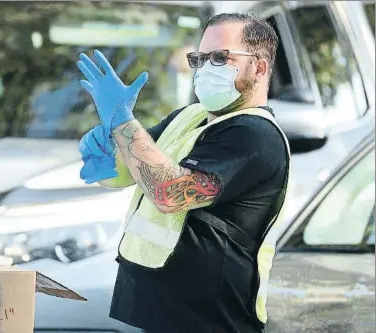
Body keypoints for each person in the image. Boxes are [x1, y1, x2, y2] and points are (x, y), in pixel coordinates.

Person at [77, 13, 290, 333]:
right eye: (200, 58)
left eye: (220, 58)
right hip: (159, 314)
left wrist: (122, 121)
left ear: (259, 67)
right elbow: (134, 169)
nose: (205, 68)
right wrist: (108, 150)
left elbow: (169, 193)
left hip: (211, 321)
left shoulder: (255, 135)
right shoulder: (190, 117)